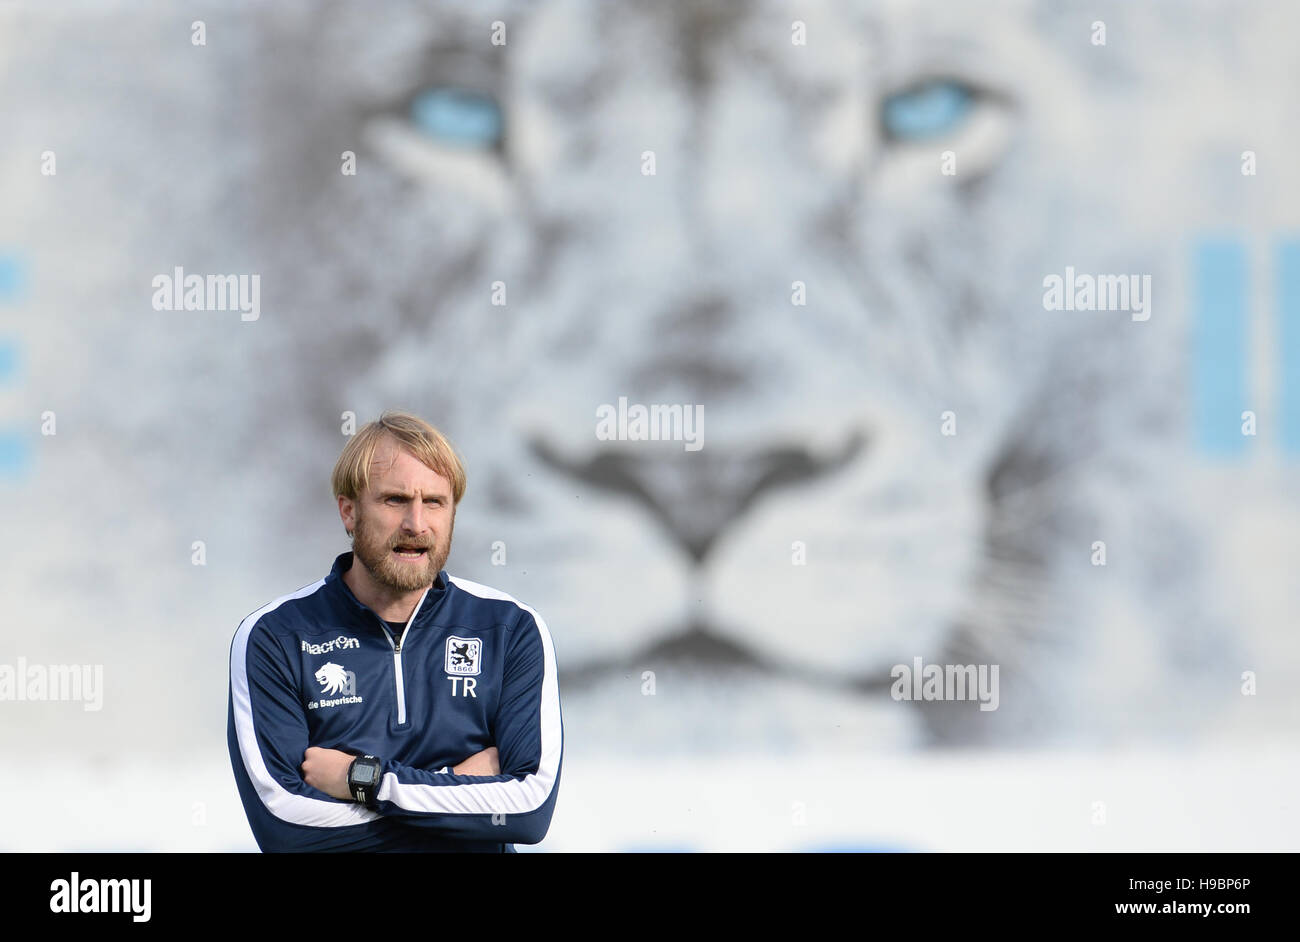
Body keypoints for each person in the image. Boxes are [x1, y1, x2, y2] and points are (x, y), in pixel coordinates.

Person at [227, 411, 563, 852]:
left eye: (436, 502)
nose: (417, 524)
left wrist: (362, 779)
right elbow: (286, 828)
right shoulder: (275, 637)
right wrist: (459, 785)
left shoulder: (511, 628)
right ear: (348, 511)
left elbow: (527, 809)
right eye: (394, 500)